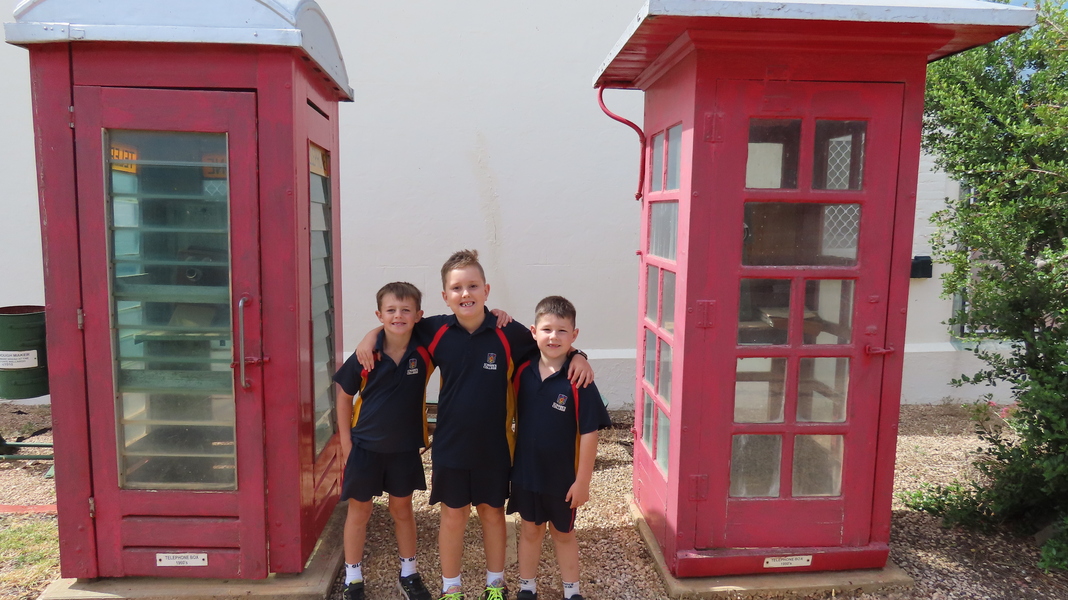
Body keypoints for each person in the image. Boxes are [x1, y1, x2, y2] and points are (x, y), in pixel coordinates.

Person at [356, 250, 593, 600]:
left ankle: (494, 585)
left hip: (495, 447)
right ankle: (451, 589)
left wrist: (579, 356)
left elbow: (551, 344)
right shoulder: (434, 329)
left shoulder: (507, 332)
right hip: (450, 446)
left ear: (486, 289)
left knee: (492, 514)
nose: (465, 293)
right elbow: (398, 322)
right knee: (453, 517)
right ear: (445, 296)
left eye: (472, 286)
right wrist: (370, 335)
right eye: (457, 288)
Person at [334, 282, 435, 600]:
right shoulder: (367, 353)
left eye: (406, 310)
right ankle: (353, 578)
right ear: (379, 314)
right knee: (359, 511)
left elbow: (462, 322)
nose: (398, 316)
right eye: (390, 310)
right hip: (363, 446)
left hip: (404, 447)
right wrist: (346, 443)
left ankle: (408, 573)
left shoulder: (426, 348)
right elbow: (343, 395)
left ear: (419, 315)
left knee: (402, 509)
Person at [508, 296, 611, 600]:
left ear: (574, 335)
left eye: (562, 331)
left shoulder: (579, 381)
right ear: (534, 332)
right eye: (547, 330)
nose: (554, 337)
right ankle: (527, 588)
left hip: (562, 479)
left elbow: (590, 434)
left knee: (563, 535)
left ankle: (572, 591)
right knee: (529, 531)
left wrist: (583, 482)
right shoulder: (521, 372)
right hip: (526, 473)